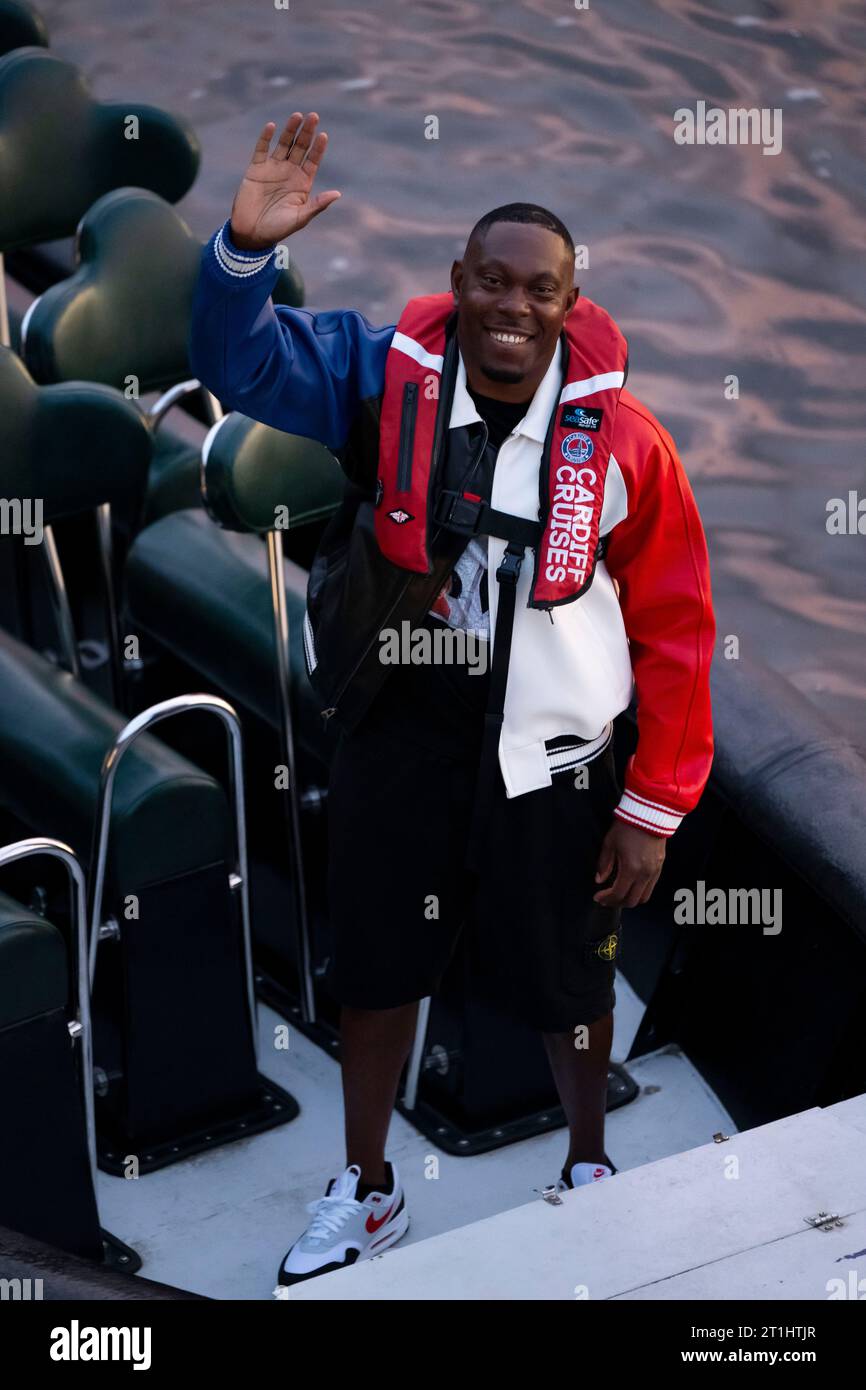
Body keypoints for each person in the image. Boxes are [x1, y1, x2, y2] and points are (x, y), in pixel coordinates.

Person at [188, 113, 716, 1287]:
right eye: (489, 281)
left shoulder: (628, 448)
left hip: (554, 756)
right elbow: (239, 363)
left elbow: (677, 630)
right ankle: (367, 1189)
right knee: (376, 970)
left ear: (569, 306)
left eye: (538, 289)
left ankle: (585, 1163)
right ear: (455, 285)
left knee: (568, 979)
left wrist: (652, 805)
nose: (509, 307)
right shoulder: (383, 381)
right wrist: (241, 247)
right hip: (405, 732)